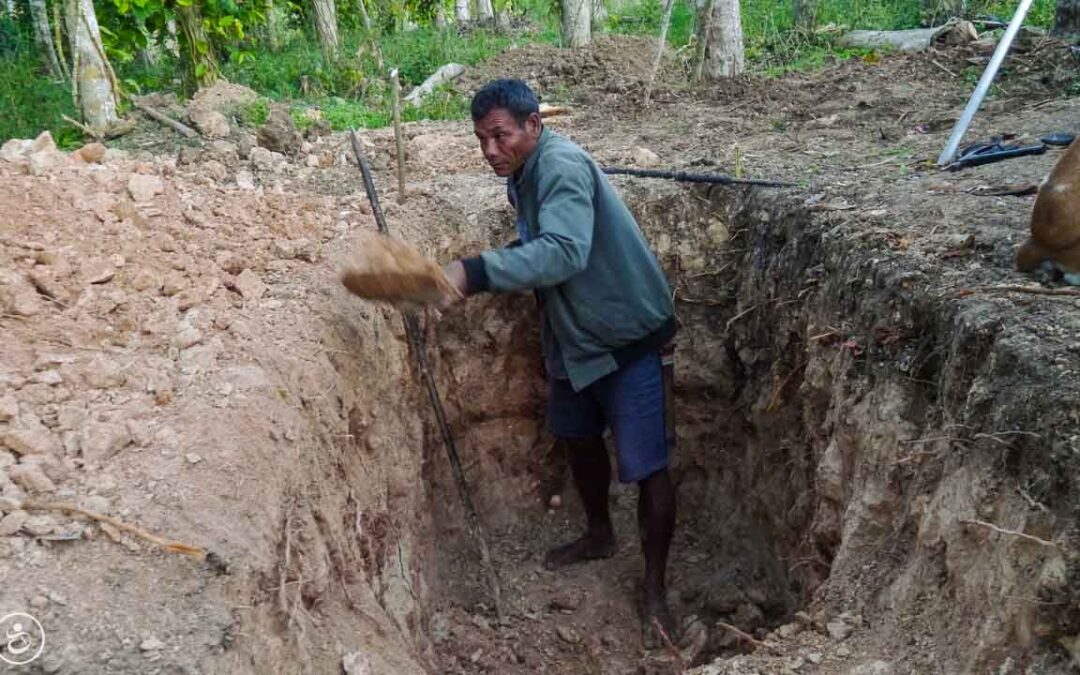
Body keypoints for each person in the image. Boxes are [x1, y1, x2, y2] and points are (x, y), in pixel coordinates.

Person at [440, 78, 679, 645]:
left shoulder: (562, 166)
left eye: (500, 136)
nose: (490, 151)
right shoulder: (523, 175)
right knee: (576, 434)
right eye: (481, 140)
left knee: (648, 465)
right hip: (575, 334)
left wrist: (471, 273)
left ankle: (655, 590)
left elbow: (565, 251)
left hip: (627, 333)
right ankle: (600, 534)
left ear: (534, 126)